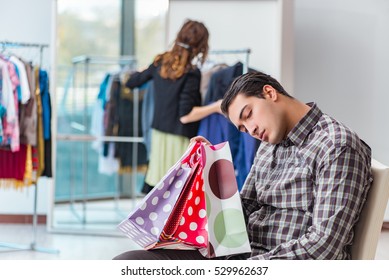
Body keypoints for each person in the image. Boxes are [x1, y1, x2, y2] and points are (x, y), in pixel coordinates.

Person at [195, 71, 373, 260]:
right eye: (243, 128)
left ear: (270, 93)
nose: (251, 130)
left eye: (248, 115)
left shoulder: (336, 146)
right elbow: (245, 208)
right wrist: (210, 170)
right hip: (242, 255)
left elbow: (322, 247)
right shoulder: (267, 144)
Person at [123, 19, 222, 194]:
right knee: (178, 193)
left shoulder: (160, 63)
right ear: (201, 46)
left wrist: (151, 68)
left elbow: (131, 82)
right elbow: (186, 115)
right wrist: (216, 107)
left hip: (158, 136)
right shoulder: (191, 73)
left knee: (159, 193)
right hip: (179, 139)